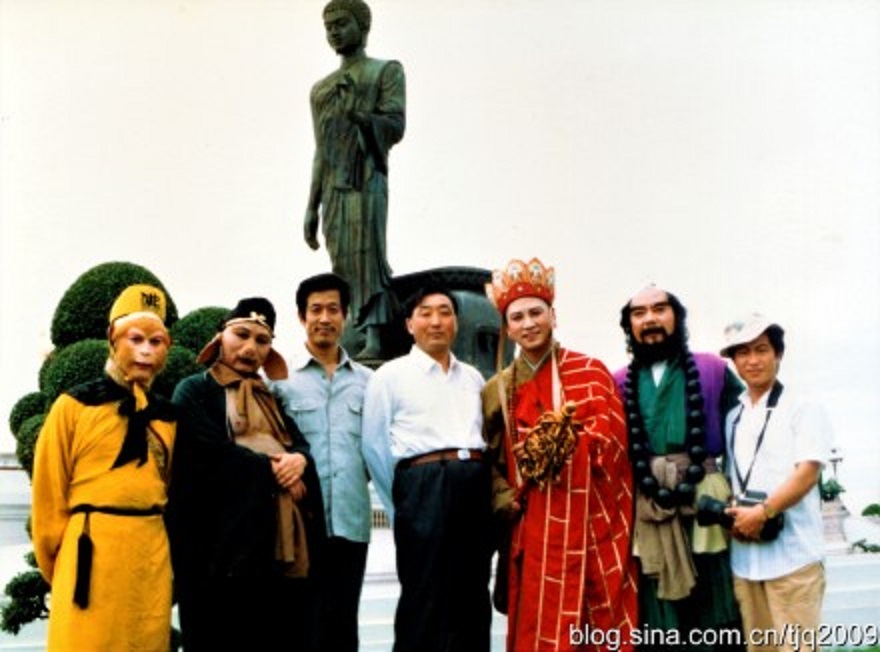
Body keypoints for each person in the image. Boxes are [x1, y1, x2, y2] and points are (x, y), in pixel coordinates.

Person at [482, 258, 638, 652]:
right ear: (507, 327)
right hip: (531, 525)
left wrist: (566, 444)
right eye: (517, 317)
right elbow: (490, 461)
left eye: (536, 313)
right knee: (538, 624)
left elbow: (615, 445)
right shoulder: (496, 389)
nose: (528, 324)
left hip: (587, 524)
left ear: (553, 315)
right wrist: (504, 496)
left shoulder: (590, 371)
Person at [167, 297, 325, 651]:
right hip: (217, 551)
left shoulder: (271, 398)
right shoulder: (194, 390)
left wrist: (300, 461)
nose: (251, 348)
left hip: (275, 547)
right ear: (219, 337)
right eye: (242, 335)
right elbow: (207, 455)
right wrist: (273, 469)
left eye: (262, 340)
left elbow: (299, 445)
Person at [31, 284, 176, 650]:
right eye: (136, 338)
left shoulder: (167, 418)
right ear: (113, 339)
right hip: (89, 553)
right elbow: (48, 496)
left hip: (150, 555)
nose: (146, 350)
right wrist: (59, 567)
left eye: (156, 341)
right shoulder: (73, 407)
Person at [362, 285, 492, 652]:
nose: (436, 321)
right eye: (426, 312)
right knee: (425, 595)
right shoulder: (390, 376)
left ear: (456, 322)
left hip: (472, 486)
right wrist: (403, 504)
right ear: (409, 324)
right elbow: (374, 447)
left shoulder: (473, 377)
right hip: (423, 489)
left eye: (445, 312)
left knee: (472, 592)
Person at [615, 284, 744, 649]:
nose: (650, 319)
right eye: (639, 313)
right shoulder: (617, 382)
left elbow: (745, 430)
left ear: (678, 317)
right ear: (629, 326)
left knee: (717, 603)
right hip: (649, 505)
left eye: (660, 309)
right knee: (657, 614)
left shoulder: (713, 369)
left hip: (705, 497)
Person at [272, 273, 373, 651]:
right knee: (300, 627)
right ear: (302, 316)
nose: (324, 318)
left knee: (344, 625)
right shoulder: (279, 380)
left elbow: (376, 448)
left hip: (351, 519)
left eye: (333, 309)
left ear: (346, 315)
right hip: (300, 522)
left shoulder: (369, 382)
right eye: (316, 310)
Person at [720, 315, 833, 652]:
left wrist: (764, 512)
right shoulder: (733, 416)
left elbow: (807, 472)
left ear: (778, 354)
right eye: (742, 353)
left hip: (794, 560)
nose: (752, 360)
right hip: (746, 561)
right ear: (734, 361)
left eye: (761, 350)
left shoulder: (803, 405)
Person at [304, 0, 406, 359]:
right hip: (333, 187)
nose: (334, 32)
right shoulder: (320, 90)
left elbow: (395, 126)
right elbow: (321, 150)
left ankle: (375, 335)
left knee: (368, 255)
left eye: (341, 24)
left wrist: (360, 116)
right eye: (328, 26)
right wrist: (311, 207)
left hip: (366, 178)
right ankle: (351, 333)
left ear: (362, 27)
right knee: (342, 262)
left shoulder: (385, 71)